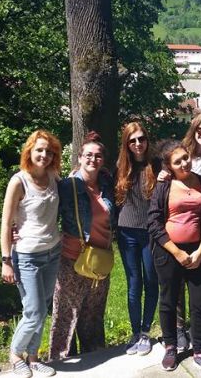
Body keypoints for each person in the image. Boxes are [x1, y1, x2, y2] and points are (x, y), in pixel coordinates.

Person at [148, 140, 201, 376]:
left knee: (199, 304)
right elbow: (154, 222)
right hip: (169, 252)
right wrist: (177, 253)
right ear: (169, 166)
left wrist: (200, 251)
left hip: (198, 252)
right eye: (177, 161)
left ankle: (200, 351)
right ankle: (171, 347)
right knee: (168, 301)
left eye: (185, 157)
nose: (184, 163)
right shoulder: (164, 186)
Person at [1, 130, 63, 377]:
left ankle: (34, 358)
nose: (44, 155)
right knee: (34, 311)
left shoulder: (53, 176)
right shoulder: (19, 181)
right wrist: (6, 261)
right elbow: (6, 224)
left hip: (53, 252)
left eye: (49, 151)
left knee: (42, 309)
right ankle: (16, 354)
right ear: (29, 152)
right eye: (39, 150)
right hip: (27, 257)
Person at [158, 112, 201, 352]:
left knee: (199, 298)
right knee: (171, 297)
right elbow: (156, 216)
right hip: (171, 245)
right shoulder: (178, 159)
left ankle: (199, 346)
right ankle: (176, 335)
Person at [49, 131, 116, 360]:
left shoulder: (106, 184)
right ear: (79, 157)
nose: (93, 159)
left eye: (98, 156)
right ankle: (61, 361)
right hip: (72, 259)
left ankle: (94, 358)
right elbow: (47, 211)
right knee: (65, 315)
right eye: (88, 155)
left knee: (93, 315)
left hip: (100, 261)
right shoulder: (68, 186)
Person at [115, 122, 161, 356]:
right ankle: (135, 332)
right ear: (127, 144)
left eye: (141, 139)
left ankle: (145, 331)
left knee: (151, 281)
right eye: (132, 140)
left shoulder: (157, 165)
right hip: (127, 232)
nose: (137, 144)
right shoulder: (120, 168)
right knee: (134, 283)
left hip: (151, 232)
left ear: (147, 140)